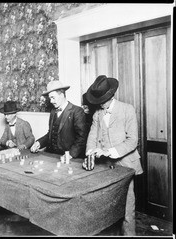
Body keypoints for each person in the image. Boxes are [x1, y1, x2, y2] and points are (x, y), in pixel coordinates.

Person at [84, 75, 143, 236]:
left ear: (110, 95)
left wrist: (108, 151)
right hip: (105, 167)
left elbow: (133, 141)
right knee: (107, 208)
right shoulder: (97, 114)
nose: (99, 103)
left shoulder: (127, 109)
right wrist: (90, 153)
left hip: (126, 166)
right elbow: (92, 137)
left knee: (127, 208)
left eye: (101, 99)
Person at [30, 80, 87, 159]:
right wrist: (39, 143)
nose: (51, 101)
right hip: (53, 156)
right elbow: (50, 134)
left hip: (70, 158)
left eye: (53, 97)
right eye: (50, 98)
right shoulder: (53, 112)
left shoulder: (77, 111)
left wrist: (70, 155)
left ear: (62, 95)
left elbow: (81, 138)